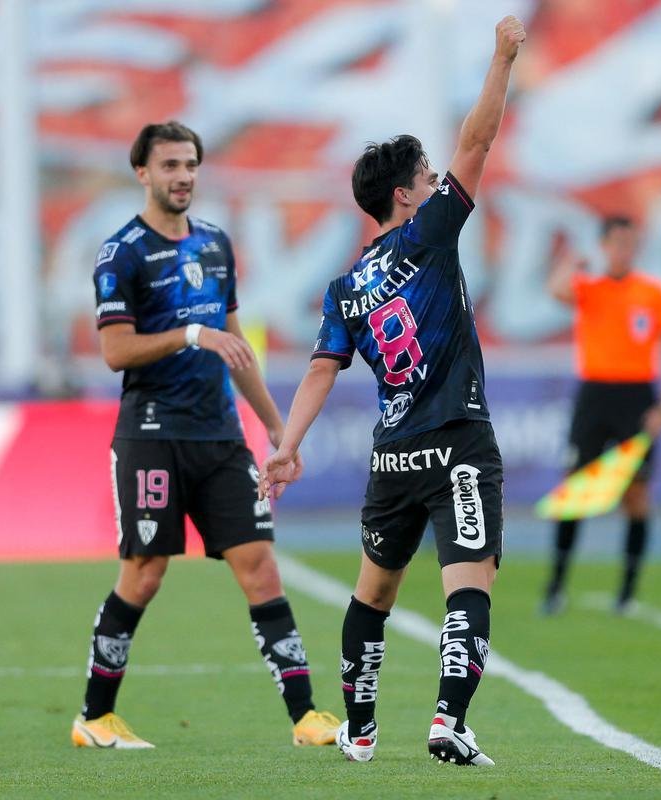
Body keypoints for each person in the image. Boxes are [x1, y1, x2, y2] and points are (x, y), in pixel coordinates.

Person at [258, 16, 525, 767]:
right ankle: (447, 720)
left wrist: (285, 446)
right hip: (459, 442)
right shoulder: (432, 233)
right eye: (429, 176)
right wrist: (502, 56)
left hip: (394, 459)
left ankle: (362, 729)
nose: (442, 180)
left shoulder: (344, 289)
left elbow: (319, 369)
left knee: (371, 594)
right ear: (406, 196)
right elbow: (479, 143)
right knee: (469, 584)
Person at [75, 121, 340, 749]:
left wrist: (279, 433)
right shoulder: (122, 253)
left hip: (221, 438)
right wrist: (192, 334)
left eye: (190, 164)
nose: (183, 176)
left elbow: (236, 348)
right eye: (169, 166)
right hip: (151, 436)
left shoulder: (217, 245)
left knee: (261, 569)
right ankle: (94, 715)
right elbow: (115, 350)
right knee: (144, 573)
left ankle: (305, 716)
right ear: (142, 173)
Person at [542, 216, 661, 615]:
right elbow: (554, 290)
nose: (624, 250)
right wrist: (572, 260)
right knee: (575, 490)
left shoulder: (654, 293)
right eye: (617, 242)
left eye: (630, 243)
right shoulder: (589, 287)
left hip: (637, 398)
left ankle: (626, 593)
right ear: (604, 246)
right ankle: (555, 585)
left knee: (636, 495)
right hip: (595, 396)